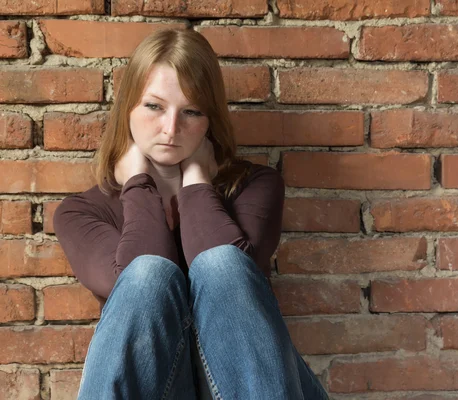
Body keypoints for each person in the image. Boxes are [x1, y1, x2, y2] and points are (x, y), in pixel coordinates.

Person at [53, 28, 330, 400]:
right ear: (127, 109)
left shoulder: (256, 185)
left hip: (253, 387)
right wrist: (138, 182)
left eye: (192, 111)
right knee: (148, 275)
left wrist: (197, 181)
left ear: (209, 120)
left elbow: (233, 285)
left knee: (223, 266)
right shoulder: (80, 212)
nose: (170, 128)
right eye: (154, 106)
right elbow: (138, 279)